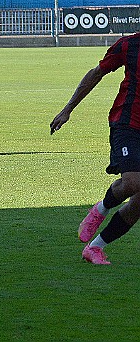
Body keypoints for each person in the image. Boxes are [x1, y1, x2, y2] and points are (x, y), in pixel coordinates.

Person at [50, 32, 140, 265]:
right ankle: (100, 209)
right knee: (132, 183)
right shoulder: (129, 45)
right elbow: (96, 73)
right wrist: (67, 109)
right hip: (127, 124)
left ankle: (95, 248)